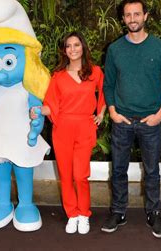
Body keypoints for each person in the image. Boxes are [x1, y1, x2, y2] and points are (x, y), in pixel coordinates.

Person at [101, 0, 161, 238]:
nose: (132, 19)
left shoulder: (160, 48)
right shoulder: (115, 49)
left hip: (150, 121)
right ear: (123, 19)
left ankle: (154, 213)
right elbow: (108, 85)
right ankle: (118, 211)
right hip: (122, 121)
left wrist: (160, 114)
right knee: (118, 170)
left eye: (137, 14)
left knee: (152, 170)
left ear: (145, 16)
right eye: (128, 15)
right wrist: (113, 111)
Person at [31, 31, 106, 234]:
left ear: (83, 47)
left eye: (76, 45)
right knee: (65, 175)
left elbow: (106, 92)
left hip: (85, 127)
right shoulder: (58, 76)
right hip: (62, 128)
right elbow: (50, 105)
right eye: (68, 46)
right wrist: (37, 110)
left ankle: (84, 214)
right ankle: (72, 214)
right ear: (64, 51)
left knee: (80, 175)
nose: (72, 49)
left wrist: (101, 113)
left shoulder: (96, 72)